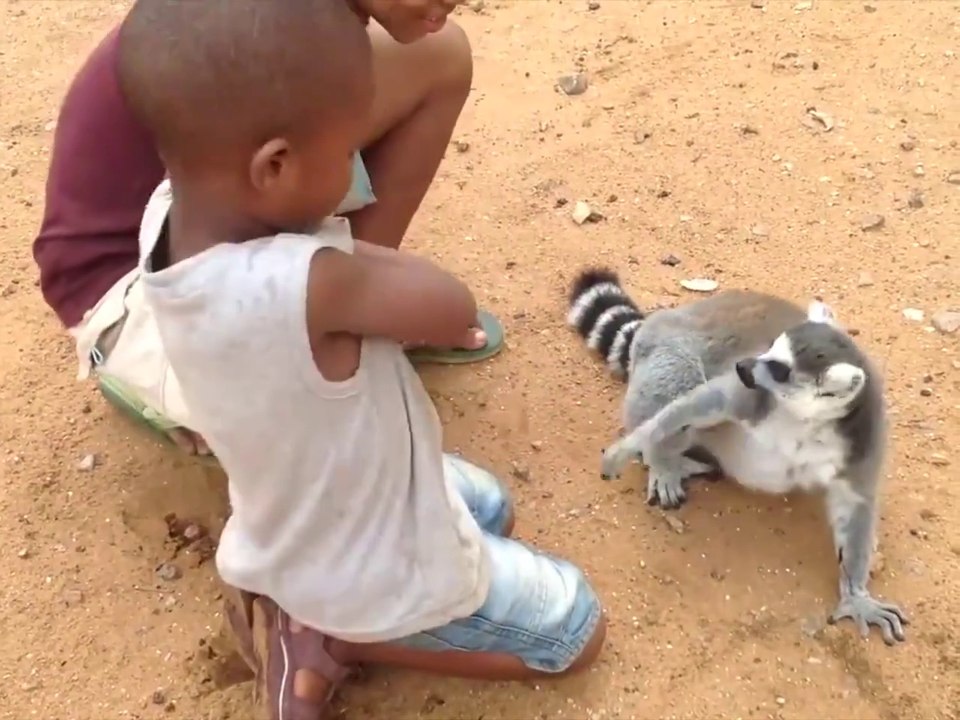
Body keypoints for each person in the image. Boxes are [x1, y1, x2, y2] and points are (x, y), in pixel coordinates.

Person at [111, 1, 607, 719]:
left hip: (301, 506)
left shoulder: (171, 216)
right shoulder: (310, 284)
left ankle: (315, 599)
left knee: (492, 504)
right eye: (346, 152)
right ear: (273, 166)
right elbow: (450, 306)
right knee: (578, 630)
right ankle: (345, 635)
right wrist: (336, 252)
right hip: (366, 567)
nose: (353, 170)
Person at [33, 0, 504, 458]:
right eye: (349, 154)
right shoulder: (270, 33)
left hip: (184, 213)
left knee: (438, 54)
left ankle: (337, 315)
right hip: (120, 285)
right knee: (307, 405)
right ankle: (177, 382)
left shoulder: (297, 28)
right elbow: (449, 305)